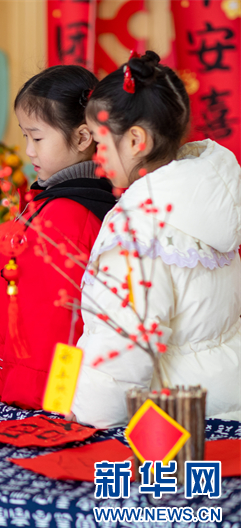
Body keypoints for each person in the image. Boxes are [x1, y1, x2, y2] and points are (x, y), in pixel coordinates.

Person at [71, 51, 241, 427]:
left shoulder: (139, 227)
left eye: (100, 143)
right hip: (224, 405)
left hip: (169, 421)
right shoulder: (203, 204)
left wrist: (87, 418)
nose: (96, 158)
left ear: (135, 140)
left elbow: (123, 343)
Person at [0, 65, 116, 409]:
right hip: (14, 391)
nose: (28, 150)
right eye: (25, 136)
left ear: (83, 138)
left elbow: (51, 327)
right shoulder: (56, 201)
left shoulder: (66, 216)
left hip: (29, 401)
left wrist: (34, 405)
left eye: (37, 138)